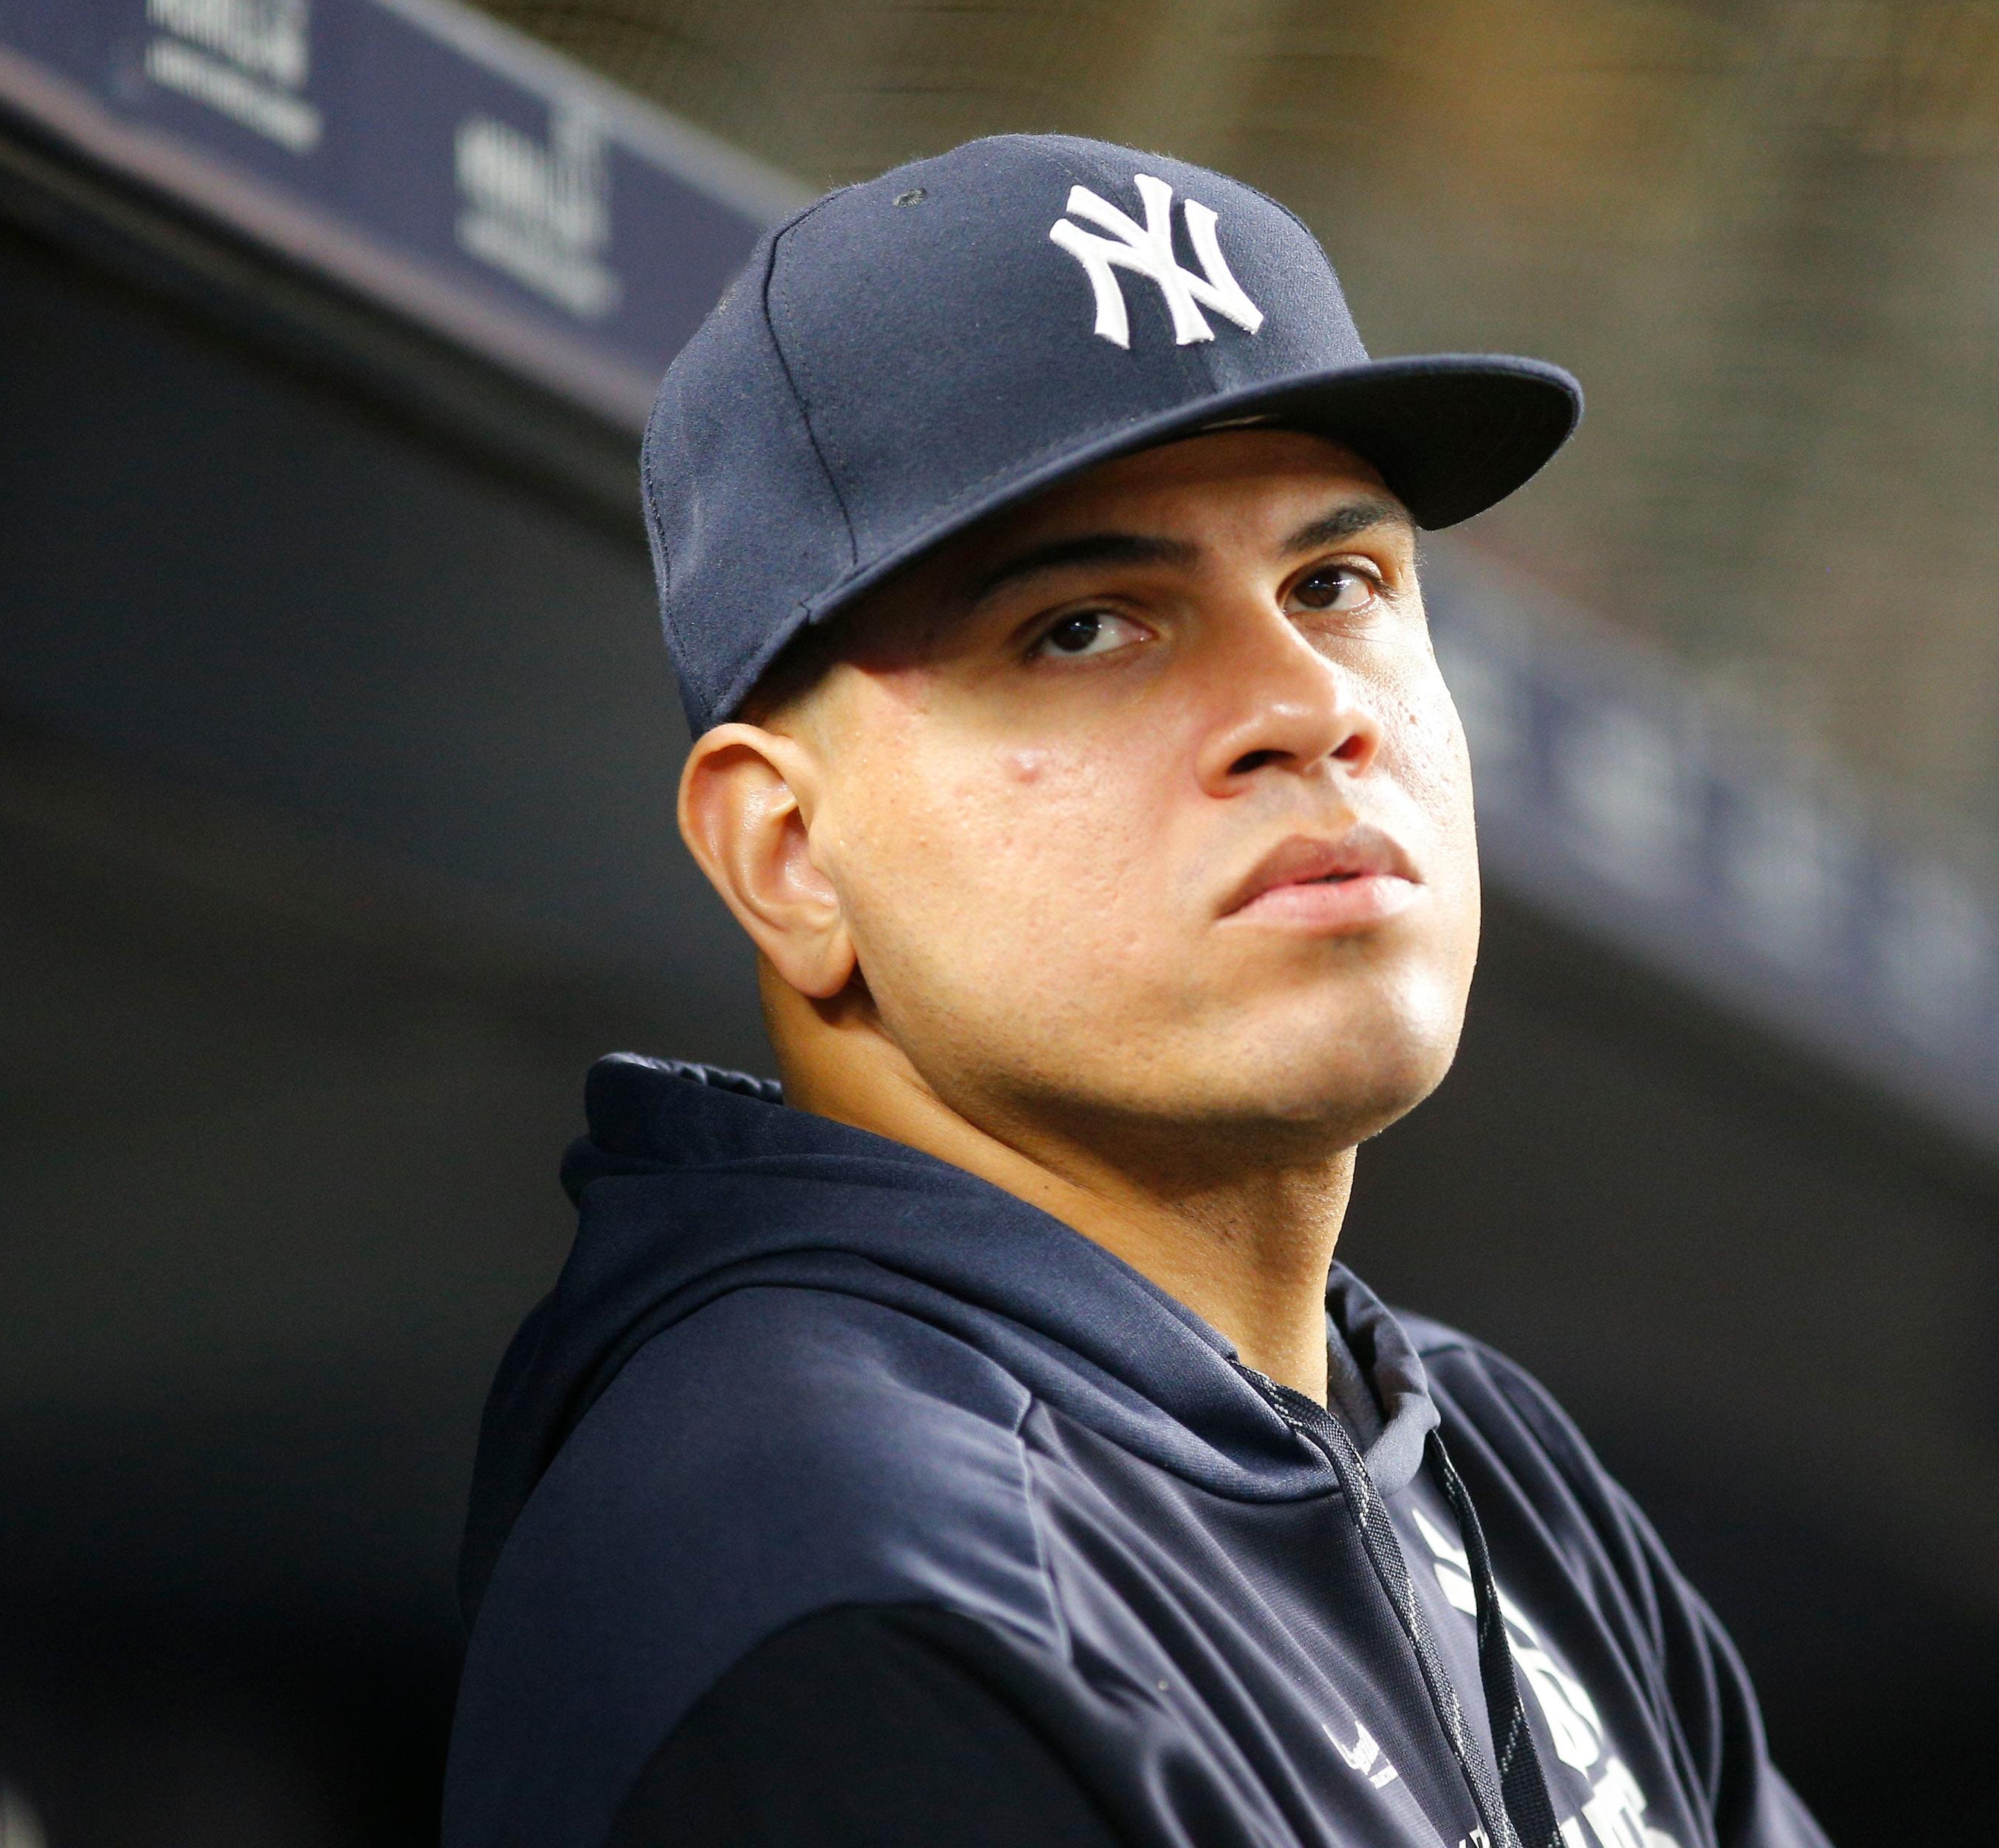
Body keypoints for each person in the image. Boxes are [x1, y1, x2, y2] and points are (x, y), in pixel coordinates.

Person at [442, 133, 1827, 1848]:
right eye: (1088, 625)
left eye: (1337, 582)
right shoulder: (847, 1576)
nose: (1311, 701)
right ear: (789, 854)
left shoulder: (1477, 1455)